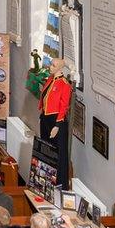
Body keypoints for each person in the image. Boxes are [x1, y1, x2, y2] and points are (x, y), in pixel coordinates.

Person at [39, 57, 73, 188]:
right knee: (45, 148)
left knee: (58, 153)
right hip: (46, 118)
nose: (50, 67)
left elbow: (64, 106)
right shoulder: (50, 79)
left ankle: (59, 184)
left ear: (60, 68)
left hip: (56, 121)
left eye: (53, 65)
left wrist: (57, 125)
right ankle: (46, 180)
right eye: (50, 64)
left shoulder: (64, 84)